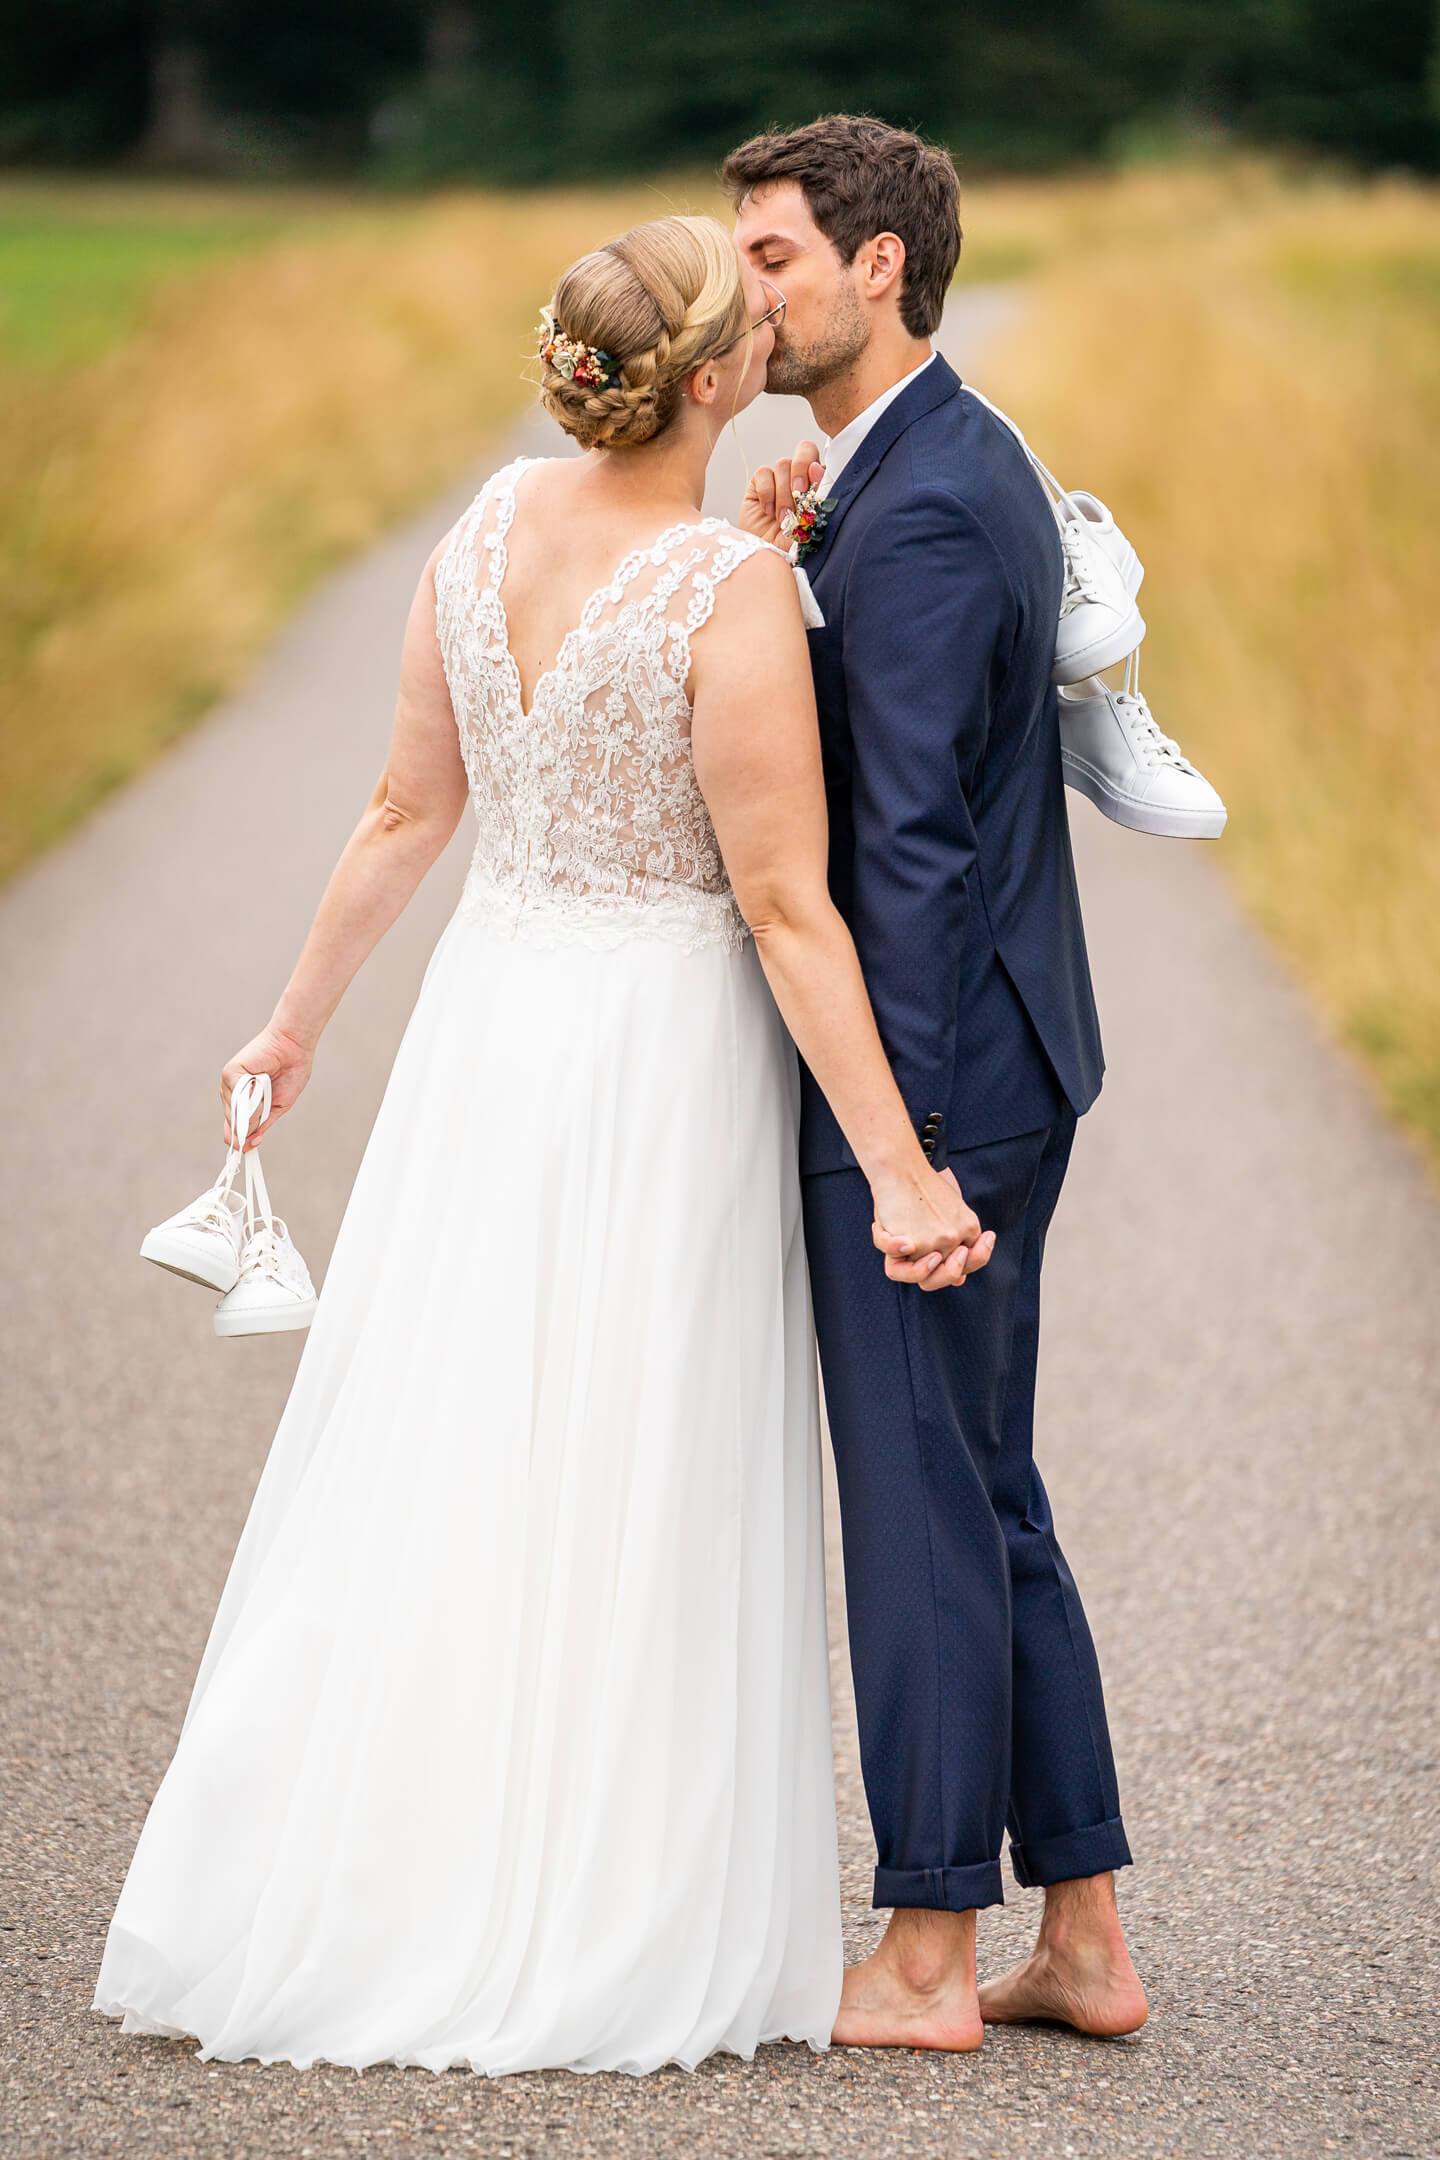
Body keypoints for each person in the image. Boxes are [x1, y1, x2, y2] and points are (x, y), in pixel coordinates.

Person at [92, 213, 993, 2077]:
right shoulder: (725, 598)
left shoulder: (486, 527)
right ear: (722, 377)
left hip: (491, 1030)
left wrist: (295, 1024)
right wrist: (904, 1168)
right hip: (656, 1057)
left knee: (458, 1439)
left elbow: (398, 809)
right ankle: (590, 1906)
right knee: (633, 1455)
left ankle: (390, 1870)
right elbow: (787, 909)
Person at [728, 116, 1148, 2049]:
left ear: (878, 264)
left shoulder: (907, 508)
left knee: (917, 1497)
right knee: (987, 1490)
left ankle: (919, 1953)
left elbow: (904, 852)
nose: (755, 293)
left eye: (779, 258)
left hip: (937, 1085)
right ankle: (1082, 1939)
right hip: (1005, 1054)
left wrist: (893, 1155)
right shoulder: (941, 461)